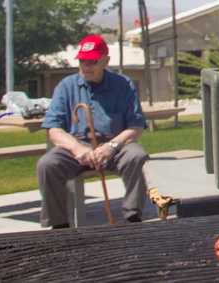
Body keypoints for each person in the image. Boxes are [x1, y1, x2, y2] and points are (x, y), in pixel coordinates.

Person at [37, 35, 149, 228]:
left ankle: (132, 219)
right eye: (82, 61)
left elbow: (136, 127)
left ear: (106, 61)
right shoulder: (66, 86)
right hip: (77, 145)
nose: (86, 67)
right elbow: (54, 130)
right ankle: (59, 226)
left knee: (137, 156)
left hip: (114, 146)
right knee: (47, 164)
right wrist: (77, 148)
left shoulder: (124, 84)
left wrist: (111, 146)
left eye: (92, 62)